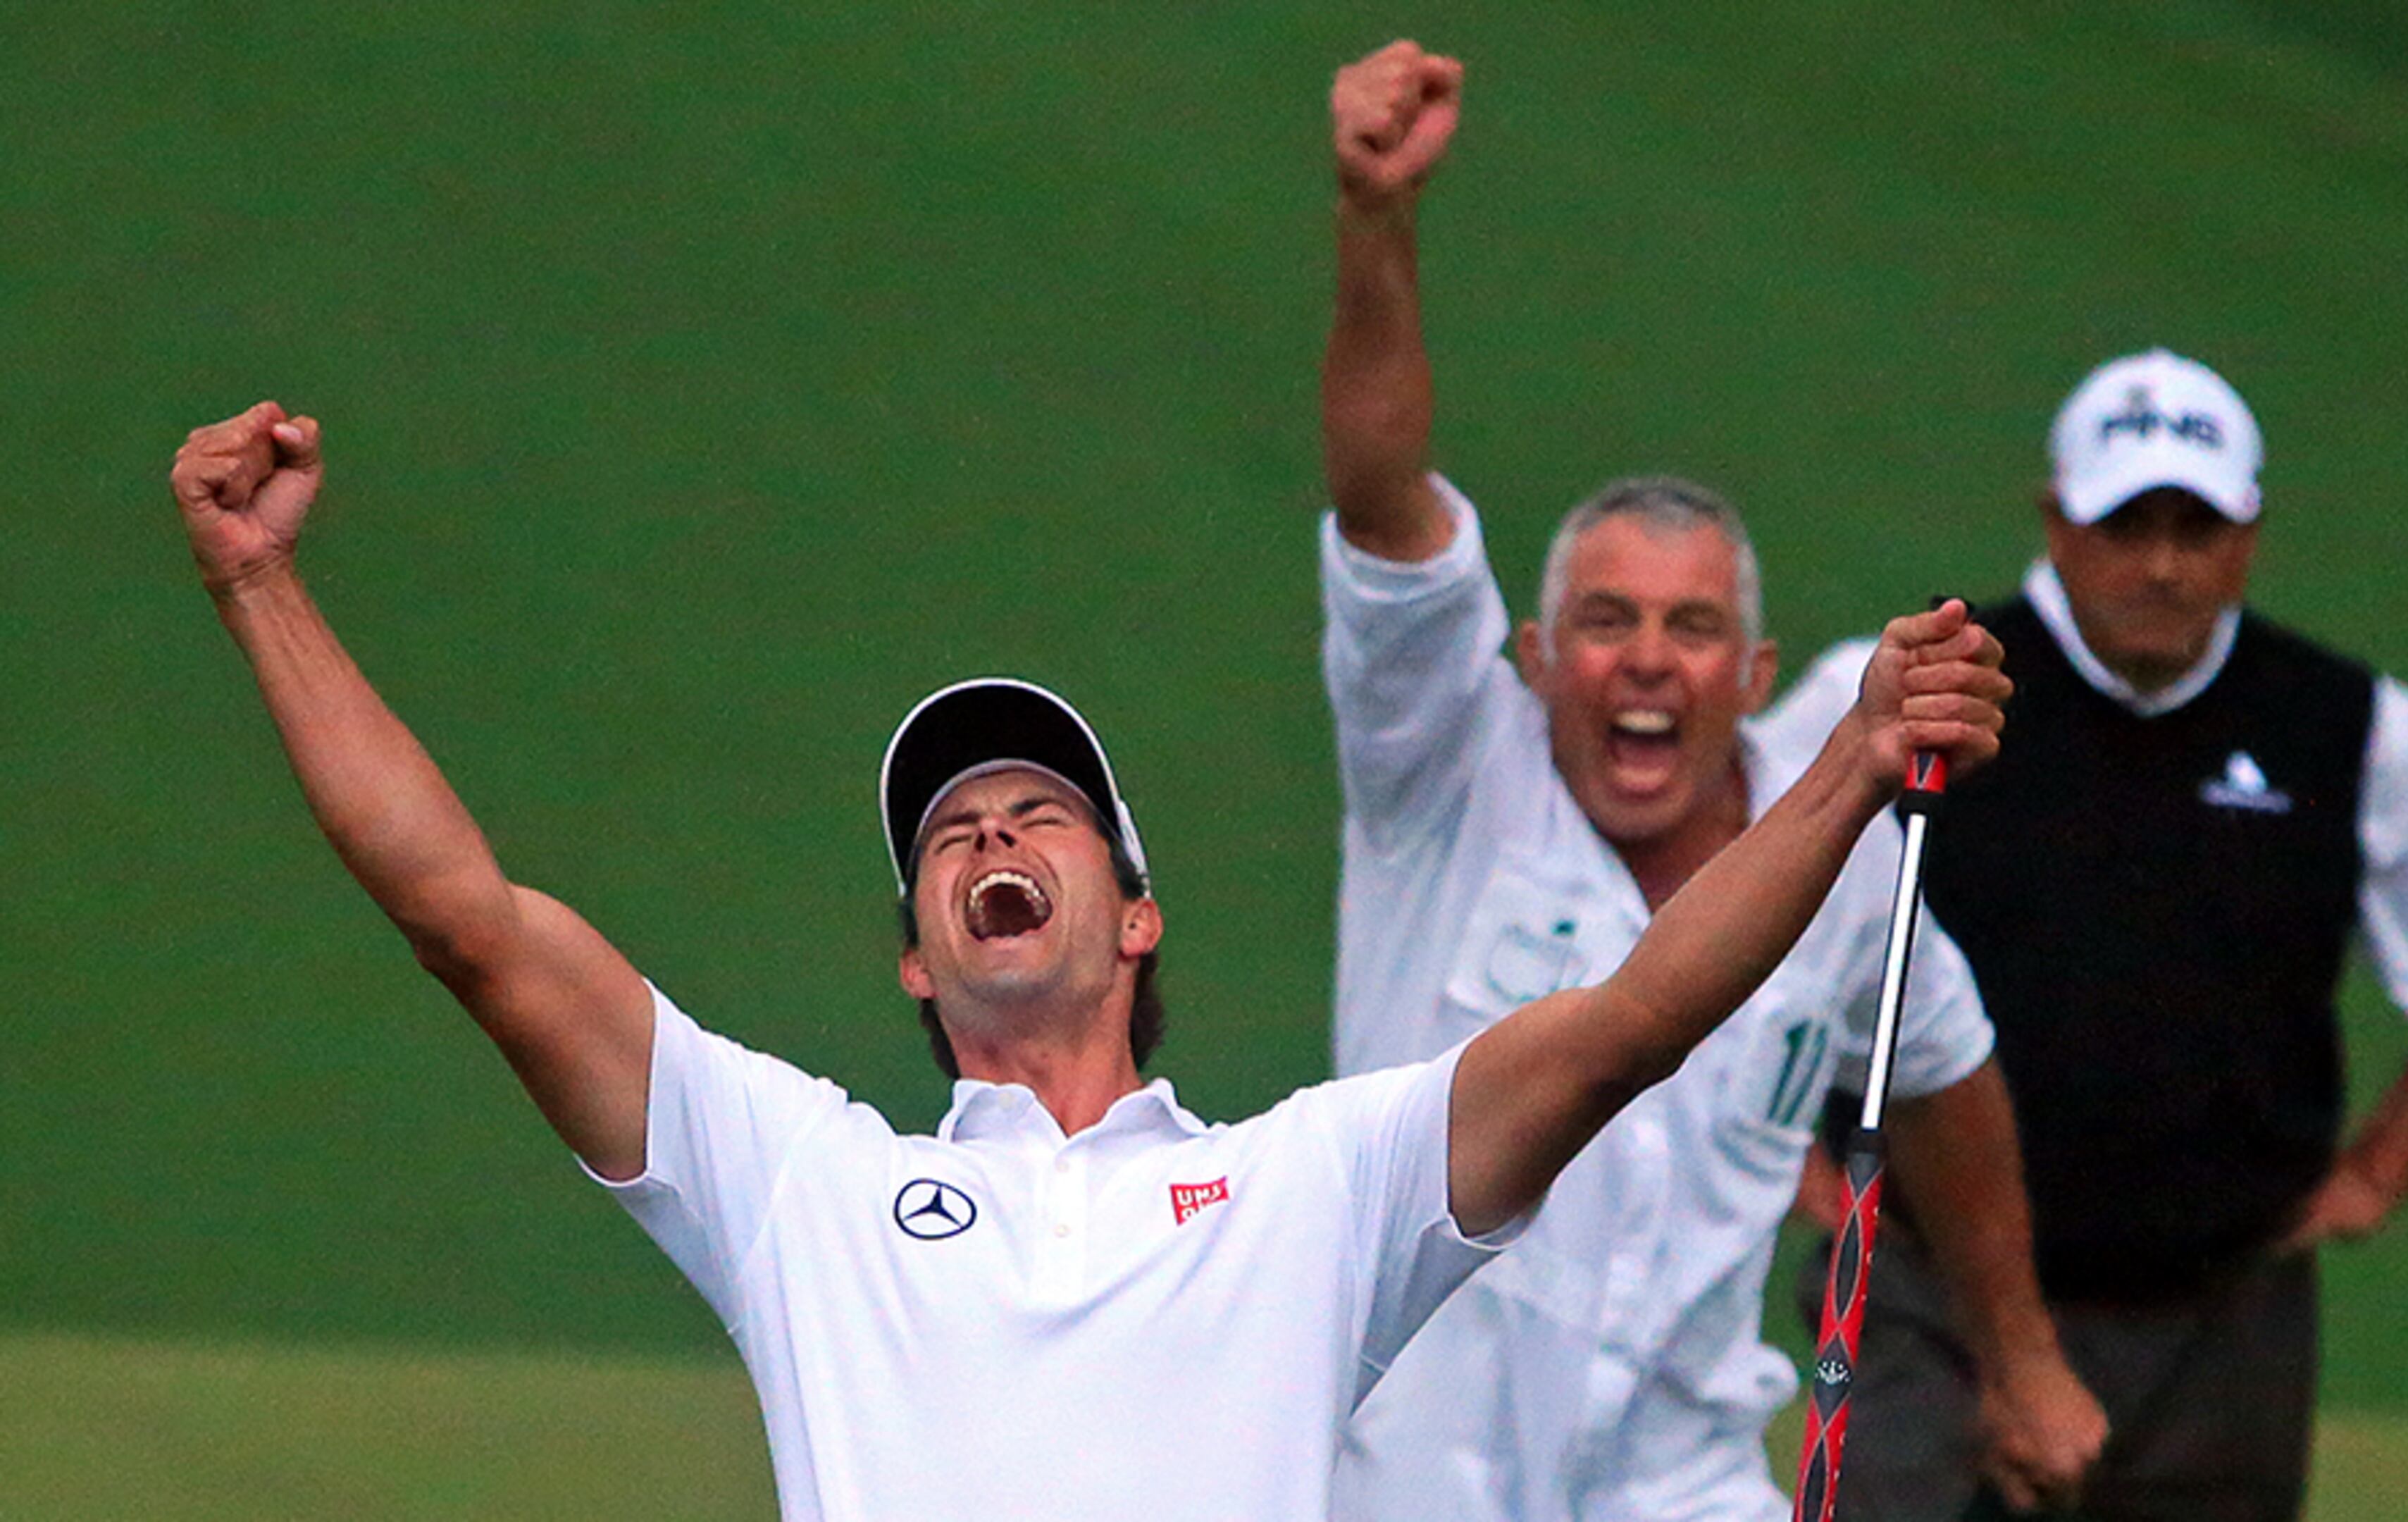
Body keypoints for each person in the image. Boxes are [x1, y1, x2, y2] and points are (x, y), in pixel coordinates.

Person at [168, 399, 2011, 1522]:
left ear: (1135, 912)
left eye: (1039, 813)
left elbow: (1637, 1020)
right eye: (948, 832)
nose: (986, 835)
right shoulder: (805, 1185)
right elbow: (470, 922)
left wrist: (1849, 771)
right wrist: (259, 588)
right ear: (915, 963)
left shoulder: (1320, 1186)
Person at [1317, 41, 2105, 1522]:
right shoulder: (1439, 763)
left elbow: (1939, 1068)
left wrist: (2020, 1353)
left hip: (1680, 1486)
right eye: (1606, 624)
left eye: (1694, 630)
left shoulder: (1854, 861)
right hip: (1400, 1480)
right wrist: (1376, 223)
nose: (1647, 665)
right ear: (1539, 659)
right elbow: (1379, 494)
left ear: (1754, 676)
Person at [1795, 349, 2408, 1520]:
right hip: (1925, 1306)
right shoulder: (1917, 691)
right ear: (2058, 524)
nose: (2162, 564)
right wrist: (1777, 1151)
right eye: (2127, 525)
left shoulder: (2344, 727)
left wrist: (2375, 1174)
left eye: (2197, 527)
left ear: (2250, 538)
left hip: (2219, 1332)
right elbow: (1730, 909)